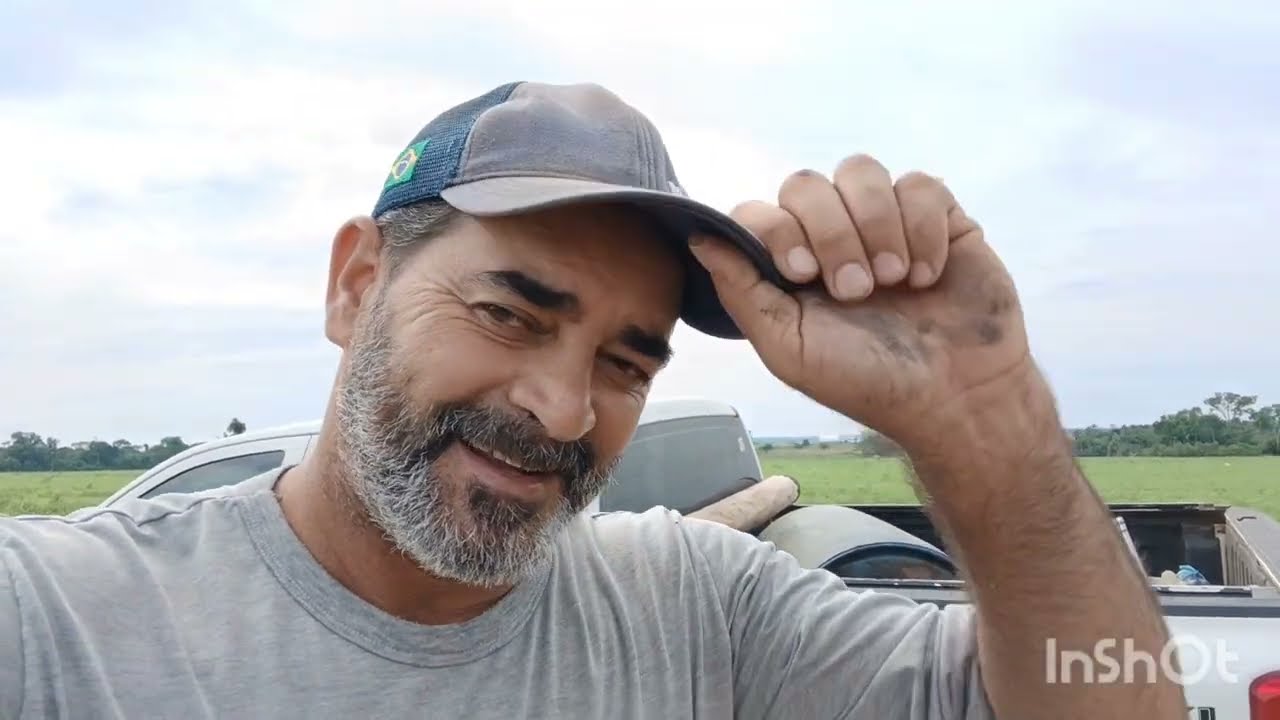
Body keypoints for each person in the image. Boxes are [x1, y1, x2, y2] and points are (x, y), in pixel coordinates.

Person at [0, 81, 1185, 719]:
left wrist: (985, 417)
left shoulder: (700, 616)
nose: (564, 411)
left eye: (626, 363)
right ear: (357, 284)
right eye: (509, 313)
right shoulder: (60, 624)